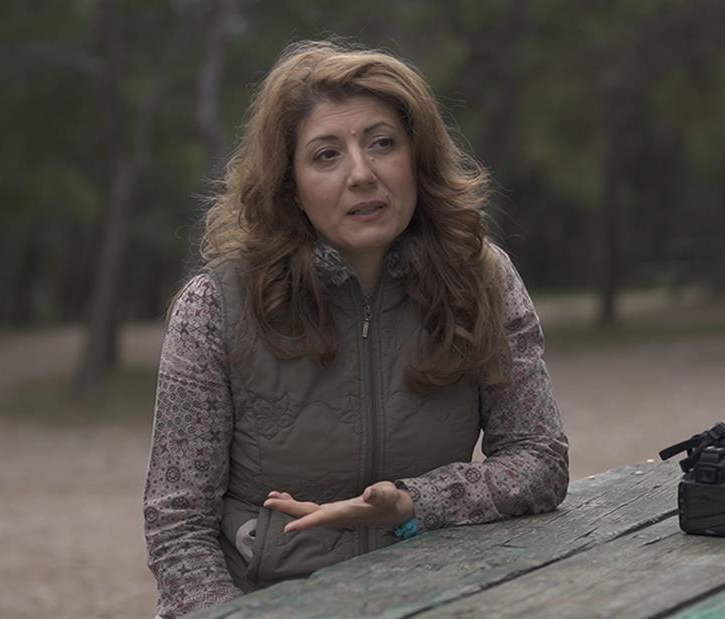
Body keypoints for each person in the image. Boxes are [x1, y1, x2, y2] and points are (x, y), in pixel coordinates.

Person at [142, 40, 570, 618]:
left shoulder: (481, 279)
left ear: (417, 158)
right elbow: (177, 528)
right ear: (290, 185)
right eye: (326, 155)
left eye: (382, 143)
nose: (362, 174)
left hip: (438, 598)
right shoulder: (215, 307)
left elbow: (540, 459)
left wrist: (415, 502)